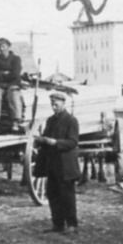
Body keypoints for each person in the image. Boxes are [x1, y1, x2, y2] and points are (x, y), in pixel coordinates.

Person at [37, 91, 81, 234]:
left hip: (66, 165)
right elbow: (45, 138)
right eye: (52, 104)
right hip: (52, 164)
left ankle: (72, 225)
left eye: (56, 104)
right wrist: (40, 140)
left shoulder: (71, 120)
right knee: (53, 195)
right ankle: (57, 225)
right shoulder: (50, 121)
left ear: (63, 103)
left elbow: (73, 142)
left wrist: (56, 142)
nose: (53, 107)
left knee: (67, 196)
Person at [0, 38, 26, 134]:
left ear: (8, 47)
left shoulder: (16, 59)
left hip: (13, 84)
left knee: (14, 96)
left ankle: (15, 122)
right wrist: (4, 73)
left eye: (3, 46)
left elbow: (15, 74)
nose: (1, 49)